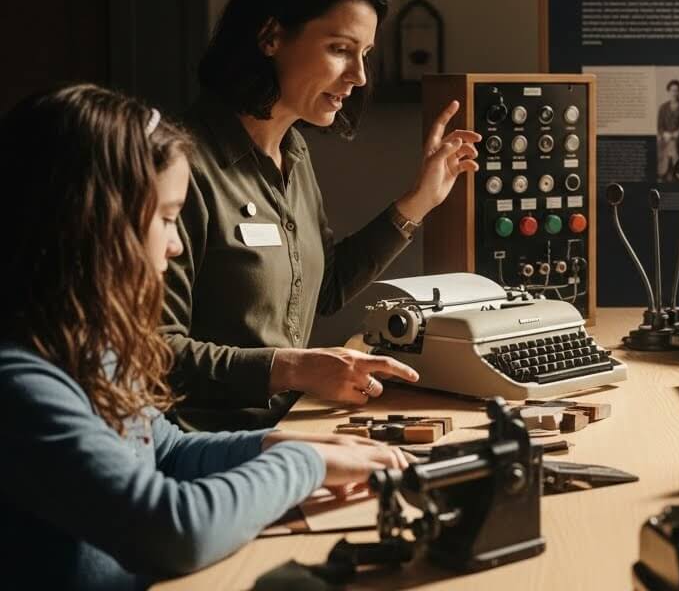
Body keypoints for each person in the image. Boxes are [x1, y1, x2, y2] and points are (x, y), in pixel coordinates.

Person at [0, 85, 407, 589]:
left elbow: (165, 452)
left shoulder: (90, 348)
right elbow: (171, 530)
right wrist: (301, 463)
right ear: (99, 225)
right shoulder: (21, 384)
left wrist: (281, 443)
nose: (174, 246)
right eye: (168, 218)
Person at [161, 0, 482, 430]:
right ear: (270, 37)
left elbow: (324, 290)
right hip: (206, 451)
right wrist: (297, 368)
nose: (358, 76)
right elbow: (155, 351)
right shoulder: (179, 164)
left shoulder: (294, 153)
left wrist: (420, 200)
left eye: (366, 55)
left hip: (290, 428)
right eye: (340, 50)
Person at [656, 79, 679, 181]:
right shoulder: (663, 107)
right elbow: (660, 125)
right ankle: (666, 171)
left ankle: (672, 172)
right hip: (665, 138)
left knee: (674, 144)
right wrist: (664, 133)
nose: (674, 93)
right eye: (672, 90)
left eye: (676, 90)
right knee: (663, 144)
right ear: (668, 91)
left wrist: (676, 134)